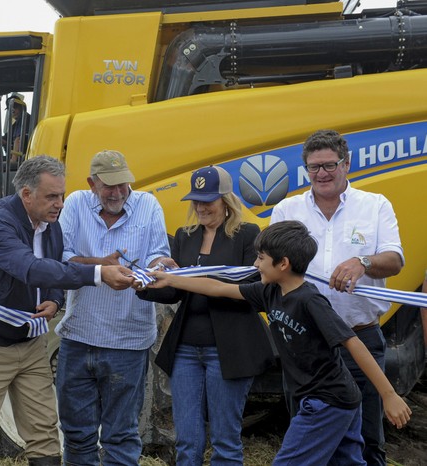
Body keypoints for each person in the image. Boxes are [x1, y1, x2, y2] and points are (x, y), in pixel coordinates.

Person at [147, 220, 412, 465]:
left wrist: (389, 396)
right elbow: (217, 288)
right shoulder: (269, 292)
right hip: (330, 399)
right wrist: (170, 279)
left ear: (282, 264)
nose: (255, 265)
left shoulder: (310, 301)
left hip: (327, 400)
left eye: (261, 258)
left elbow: (353, 344)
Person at [0, 155, 135, 466]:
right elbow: (30, 268)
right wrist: (98, 274)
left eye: (62, 195)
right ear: (26, 194)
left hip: (30, 342)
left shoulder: (50, 225)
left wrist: (55, 299)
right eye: (52, 196)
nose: (60, 203)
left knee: (45, 433)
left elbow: (54, 268)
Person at [270, 129, 404, 466]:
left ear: (346, 164)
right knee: (308, 437)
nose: (322, 174)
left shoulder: (374, 206)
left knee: (368, 440)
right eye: (314, 168)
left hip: (360, 336)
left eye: (329, 165)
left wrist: (363, 262)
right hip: (306, 346)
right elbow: (270, 267)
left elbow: (395, 260)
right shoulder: (287, 210)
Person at [136, 165, 275, 465]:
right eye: (196, 200)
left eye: (208, 200)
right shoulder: (185, 237)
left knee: (225, 440)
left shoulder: (248, 235)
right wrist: (143, 284)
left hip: (230, 348)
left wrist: (181, 279)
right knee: (187, 440)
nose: (201, 207)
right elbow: (175, 292)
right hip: (186, 348)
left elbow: (249, 289)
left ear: (226, 200)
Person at [55, 149, 174, 466]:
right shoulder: (76, 204)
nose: (118, 192)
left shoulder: (147, 205)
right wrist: (100, 268)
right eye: (109, 186)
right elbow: (58, 260)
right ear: (91, 183)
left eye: (123, 184)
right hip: (78, 336)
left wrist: (160, 267)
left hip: (129, 340)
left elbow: (159, 255)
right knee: (77, 436)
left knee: (121, 436)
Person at [0, 93, 31, 202]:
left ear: (21, 106)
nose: (13, 110)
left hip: (24, 158)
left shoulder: (28, 120)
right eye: (11, 108)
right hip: (15, 157)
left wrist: (14, 158)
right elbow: (6, 138)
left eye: (15, 107)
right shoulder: (15, 124)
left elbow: (19, 140)